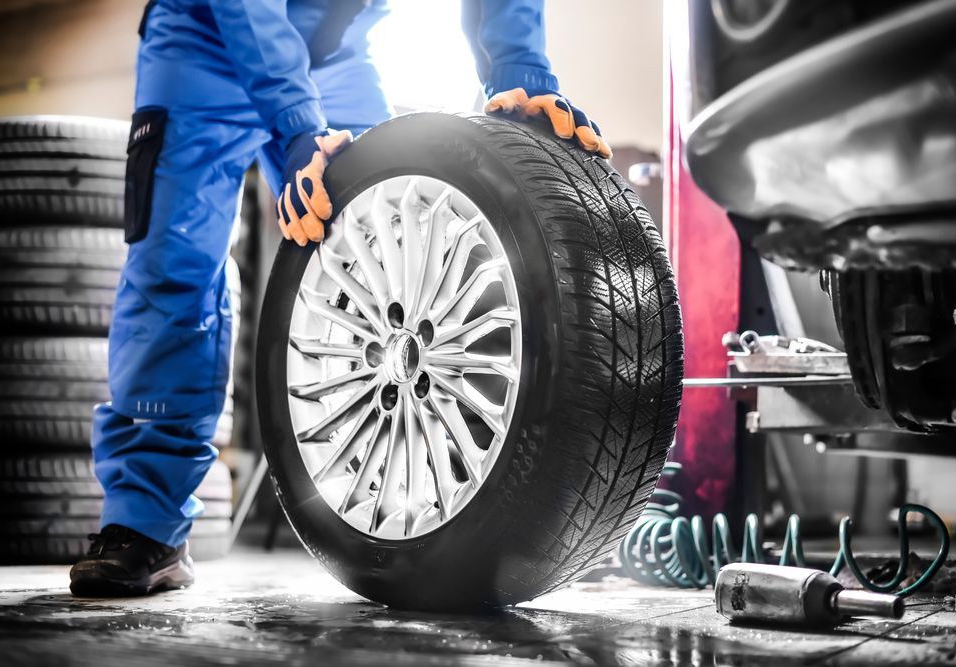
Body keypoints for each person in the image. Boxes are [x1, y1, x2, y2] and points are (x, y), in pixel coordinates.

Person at [69, 0, 612, 598]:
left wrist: (521, 82)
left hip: (332, 49)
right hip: (199, 41)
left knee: (393, 245)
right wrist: (298, 124)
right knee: (172, 269)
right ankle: (146, 524)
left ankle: (430, 494)